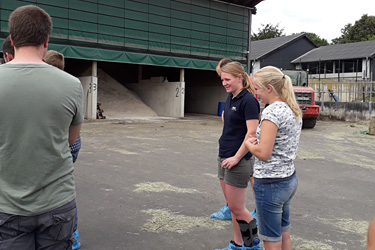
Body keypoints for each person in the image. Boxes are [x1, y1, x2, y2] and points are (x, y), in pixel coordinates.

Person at [0, 5, 83, 250]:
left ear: (12, 39)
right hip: (57, 201)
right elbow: (70, 140)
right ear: (46, 41)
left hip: (7, 204)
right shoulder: (72, 84)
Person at [245, 66, 302, 250]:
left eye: (257, 89)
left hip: (270, 183)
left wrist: (249, 144)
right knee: (284, 232)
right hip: (288, 179)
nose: (256, 93)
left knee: (271, 238)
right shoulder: (292, 108)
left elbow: (264, 153)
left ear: (269, 88)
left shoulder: (272, 112)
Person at [215, 61, 261, 250]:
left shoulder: (248, 100)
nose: (224, 83)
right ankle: (237, 244)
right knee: (234, 208)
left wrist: (236, 157)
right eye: (222, 79)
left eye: (227, 79)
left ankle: (253, 246)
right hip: (224, 156)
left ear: (239, 78)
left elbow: (251, 134)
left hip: (238, 160)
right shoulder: (231, 97)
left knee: (239, 209)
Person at [44, 50, 82, 250]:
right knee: (66, 188)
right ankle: (72, 235)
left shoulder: (42, 85)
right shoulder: (71, 85)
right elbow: (74, 132)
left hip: (56, 146)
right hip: (71, 144)